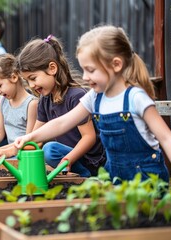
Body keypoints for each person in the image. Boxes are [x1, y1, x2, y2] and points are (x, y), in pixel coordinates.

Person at [15, 25, 171, 183]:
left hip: (146, 179)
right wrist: (29, 137)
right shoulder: (94, 98)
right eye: (83, 70)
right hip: (114, 178)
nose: (84, 77)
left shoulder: (135, 98)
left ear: (116, 64)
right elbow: (61, 123)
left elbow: (167, 138)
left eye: (90, 70)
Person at [15, 35, 106, 177]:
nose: (31, 85)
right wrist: (11, 151)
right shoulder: (45, 99)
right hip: (68, 158)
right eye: (27, 81)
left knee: (50, 150)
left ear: (52, 68)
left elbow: (89, 137)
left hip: (88, 161)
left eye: (33, 78)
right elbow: (35, 139)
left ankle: (87, 177)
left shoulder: (76, 96)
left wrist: (69, 159)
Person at [0, 53, 38, 160]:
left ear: (14, 77)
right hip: (9, 152)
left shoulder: (31, 104)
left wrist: (5, 151)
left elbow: (30, 143)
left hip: (24, 154)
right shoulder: (3, 101)